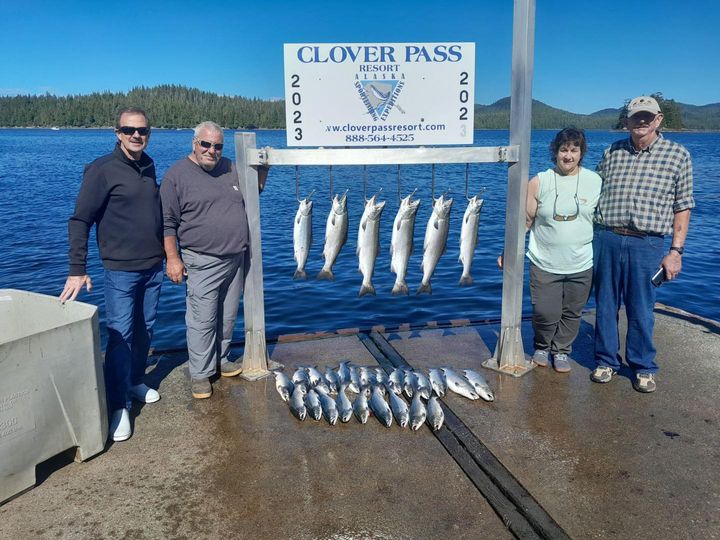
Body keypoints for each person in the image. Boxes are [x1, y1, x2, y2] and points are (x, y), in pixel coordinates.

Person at [60, 107, 164, 442]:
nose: (137, 135)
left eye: (143, 130)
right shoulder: (101, 170)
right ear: (117, 133)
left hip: (153, 267)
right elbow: (80, 221)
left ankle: (134, 381)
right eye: (129, 130)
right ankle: (118, 406)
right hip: (120, 270)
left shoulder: (148, 165)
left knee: (144, 328)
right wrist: (78, 268)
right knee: (120, 337)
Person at [591, 96, 694, 393]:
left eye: (648, 117)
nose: (642, 122)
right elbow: (592, 191)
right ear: (627, 120)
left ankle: (643, 366)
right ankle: (606, 360)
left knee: (641, 308)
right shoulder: (612, 152)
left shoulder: (678, 155)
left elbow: (683, 206)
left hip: (647, 243)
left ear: (659, 119)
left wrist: (676, 252)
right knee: (605, 304)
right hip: (607, 237)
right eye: (636, 117)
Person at [160, 121, 268, 399]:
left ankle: (220, 359)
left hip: (236, 258)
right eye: (205, 144)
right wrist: (173, 258)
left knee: (227, 316)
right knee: (202, 320)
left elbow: (254, 192)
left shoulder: (231, 167)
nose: (211, 150)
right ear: (194, 144)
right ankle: (200, 374)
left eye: (217, 146)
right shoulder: (176, 175)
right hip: (201, 260)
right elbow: (167, 223)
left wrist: (264, 167)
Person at [499, 127, 602, 372]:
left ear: (581, 153)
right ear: (555, 152)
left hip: (582, 263)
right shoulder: (539, 181)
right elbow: (525, 221)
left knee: (572, 312)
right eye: (563, 150)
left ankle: (562, 350)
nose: (568, 156)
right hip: (544, 262)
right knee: (545, 311)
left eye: (574, 150)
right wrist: (508, 250)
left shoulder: (594, 181)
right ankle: (542, 345)